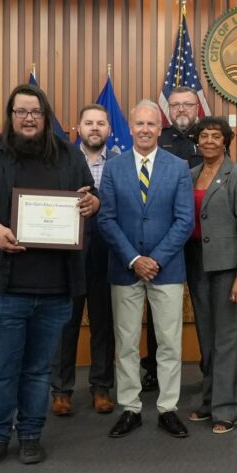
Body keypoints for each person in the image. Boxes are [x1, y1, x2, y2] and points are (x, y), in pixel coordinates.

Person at [0, 84, 98, 468]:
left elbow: (90, 197)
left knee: (37, 370)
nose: (28, 118)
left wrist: (91, 202)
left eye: (35, 111)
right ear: (10, 115)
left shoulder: (68, 155)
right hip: (3, 286)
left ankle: (31, 433)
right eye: (21, 112)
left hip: (55, 287)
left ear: (46, 115)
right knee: (0, 369)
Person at [97, 99, 194, 439]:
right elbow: (106, 219)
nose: (145, 130)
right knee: (125, 342)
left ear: (160, 127)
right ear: (131, 128)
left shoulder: (178, 167)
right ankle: (131, 408)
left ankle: (168, 408)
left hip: (166, 270)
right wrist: (134, 260)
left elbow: (185, 221)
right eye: (139, 124)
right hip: (125, 269)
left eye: (151, 124)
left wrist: (155, 259)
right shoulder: (113, 167)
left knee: (169, 342)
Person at [184, 116, 237, 433]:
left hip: (229, 268)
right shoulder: (189, 175)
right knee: (207, 337)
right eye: (204, 136)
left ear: (225, 141)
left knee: (227, 338)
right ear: (197, 141)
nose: (210, 141)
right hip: (197, 264)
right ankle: (209, 400)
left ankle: (227, 408)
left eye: (216, 136)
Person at [50, 104, 117, 417]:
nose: (94, 128)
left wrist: (99, 203)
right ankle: (61, 390)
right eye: (88, 122)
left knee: (104, 324)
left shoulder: (120, 162)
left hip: (108, 255)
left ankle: (101, 388)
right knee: (66, 325)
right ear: (77, 128)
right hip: (68, 256)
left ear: (109, 129)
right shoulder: (60, 160)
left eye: (100, 123)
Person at [137, 86, 205, 391]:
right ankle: (152, 369)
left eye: (187, 105)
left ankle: (209, 370)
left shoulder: (209, 138)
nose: (181, 110)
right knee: (157, 309)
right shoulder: (157, 140)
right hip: (163, 242)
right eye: (175, 105)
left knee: (205, 308)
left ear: (197, 108)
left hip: (201, 240)